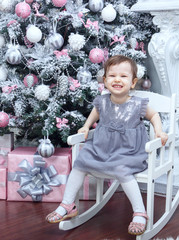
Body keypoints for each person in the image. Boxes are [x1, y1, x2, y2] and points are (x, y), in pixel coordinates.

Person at [45, 55, 168, 235]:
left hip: (128, 152)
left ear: (133, 82)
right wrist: (86, 127)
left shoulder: (137, 104)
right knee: (80, 163)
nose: (117, 79)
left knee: (122, 169)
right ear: (105, 81)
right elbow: (95, 114)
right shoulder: (102, 101)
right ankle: (67, 204)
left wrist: (159, 131)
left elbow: (154, 115)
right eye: (112, 76)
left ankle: (140, 212)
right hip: (101, 149)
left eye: (123, 76)